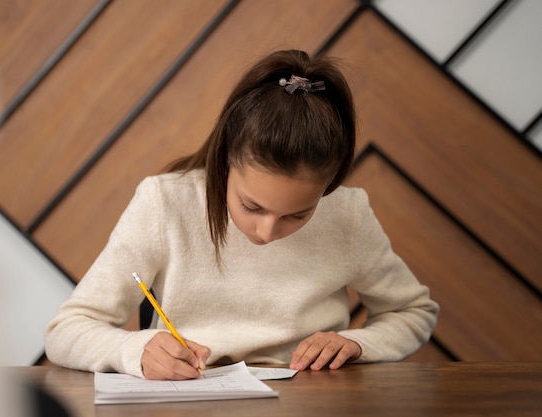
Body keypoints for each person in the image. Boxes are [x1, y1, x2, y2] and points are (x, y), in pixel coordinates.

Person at [44, 49, 439, 380]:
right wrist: (135, 349)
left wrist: (358, 343)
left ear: (331, 185)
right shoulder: (166, 204)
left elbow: (413, 312)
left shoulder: (347, 215)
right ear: (224, 163)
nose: (267, 232)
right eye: (251, 206)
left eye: (298, 215)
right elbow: (66, 331)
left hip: (312, 400)